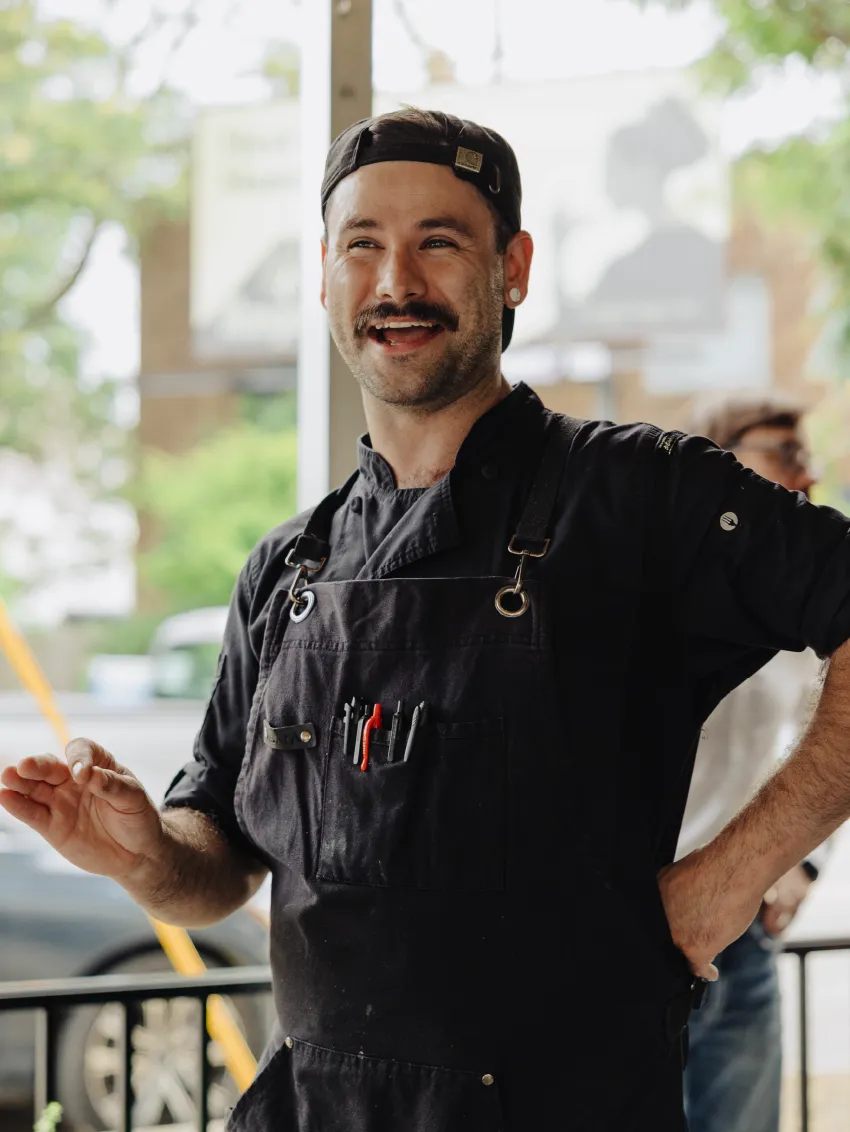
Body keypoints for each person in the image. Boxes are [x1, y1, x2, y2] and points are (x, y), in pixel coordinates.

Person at [4, 107, 850, 1132]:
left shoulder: (637, 494)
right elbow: (215, 866)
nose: (395, 282)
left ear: (515, 267)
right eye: (363, 245)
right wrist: (138, 850)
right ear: (325, 277)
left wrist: (731, 875)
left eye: (438, 243)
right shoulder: (289, 567)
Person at [678, 394, 825, 1132]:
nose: (809, 476)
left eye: (810, 460)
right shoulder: (655, 585)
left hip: (737, 937)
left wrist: (802, 864)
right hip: (630, 930)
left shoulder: (799, 607)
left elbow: (818, 733)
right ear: (720, 459)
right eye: (786, 453)